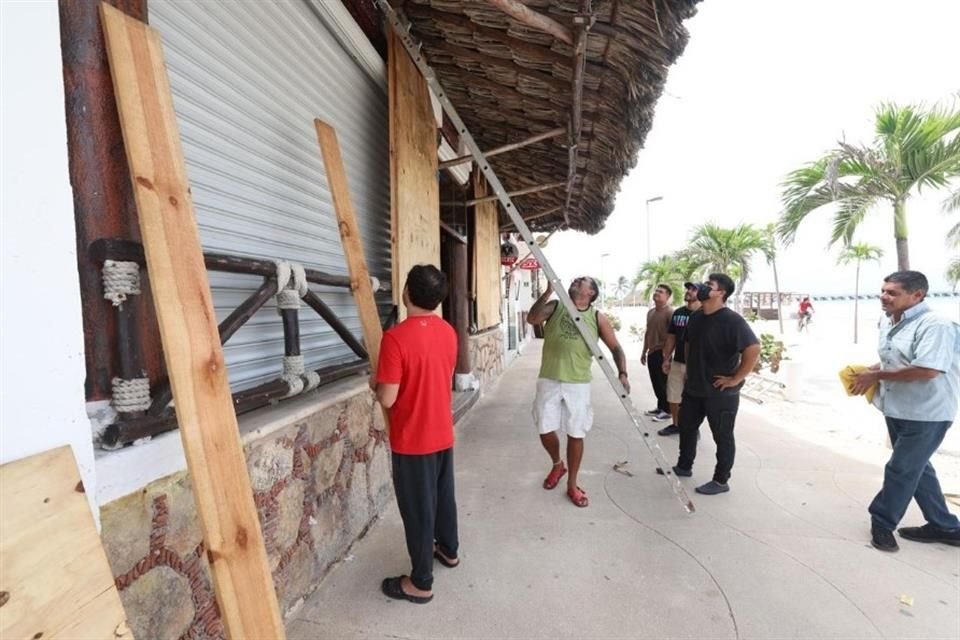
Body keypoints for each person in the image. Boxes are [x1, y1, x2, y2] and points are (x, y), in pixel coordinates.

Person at [850, 270, 960, 552]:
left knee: (901, 468)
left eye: (892, 293)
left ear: (917, 295)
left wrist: (875, 377)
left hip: (928, 413)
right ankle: (945, 526)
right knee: (917, 468)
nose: (884, 297)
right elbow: (892, 358)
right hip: (897, 407)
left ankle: (882, 521)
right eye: (884, 290)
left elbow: (927, 369)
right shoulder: (889, 320)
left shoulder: (936, 325)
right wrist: (869, 370)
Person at [374, 265, 460, 604]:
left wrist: (376, 383)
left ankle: (421, 582)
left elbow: (388, 397)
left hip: (412, 440)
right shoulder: (449, 332)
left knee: (418, 511)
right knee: (443, 499)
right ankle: (449, 551)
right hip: (442, 432)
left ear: (406, 292)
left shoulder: (395, 338)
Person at [528, 276, 630, 508]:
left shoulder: (596, 317)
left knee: (576, 433)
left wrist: (622, 373)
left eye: (582, 281)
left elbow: (615, 347)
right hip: (549, 377)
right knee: (544, 427)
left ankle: (572, 484)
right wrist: (547, 293)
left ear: (591, 292)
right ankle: (557, 464)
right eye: (576, 279)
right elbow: (532, 318)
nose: (575, 281)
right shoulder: (556, 306)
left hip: (578, 382)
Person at [658, 273, 760, 495]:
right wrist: (688, 371)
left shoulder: (732, 320)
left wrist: (736, 378)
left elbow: (753, 349)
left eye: (709, 285)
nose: (703, 288)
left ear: (721, 293)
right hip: (695, 387)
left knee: (722, 436)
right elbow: (688, 344)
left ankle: (721, 480)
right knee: (686, 427)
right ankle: (684, 466)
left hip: (720, 392)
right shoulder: (696, 317)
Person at [657, 282, 702, 436]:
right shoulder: (678, 313)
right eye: (688, 288)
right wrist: (666, 358)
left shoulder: (704, 314)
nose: (688, 291)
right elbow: (672, 337)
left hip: (696, 365)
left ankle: (693, 429)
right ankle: (676, 425)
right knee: (673, 397)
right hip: (677, 362)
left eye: (693, 289)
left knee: (693, 400)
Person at [641, 284, 674, 421]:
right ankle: (660, 407)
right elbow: (648, 333)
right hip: (652, 352)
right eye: (656, 291)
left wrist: (667, 356)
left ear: (667, 296)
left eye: (661, 292)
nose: (657, 293)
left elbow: (673, 336)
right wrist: (644, 351)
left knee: (663, 383)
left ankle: (667, 410)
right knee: (656, 382)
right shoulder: (651, 312)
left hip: (662, 353)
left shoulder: (670, 312)